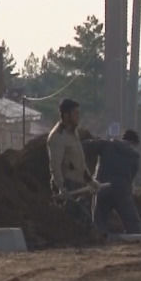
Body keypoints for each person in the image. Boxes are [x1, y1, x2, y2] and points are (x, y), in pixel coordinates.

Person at [84, 129, 141, 234]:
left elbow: (85, 146)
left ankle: (99, 239)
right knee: (133, 225)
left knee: (99, 223)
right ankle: (137, 242)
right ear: (135, 143)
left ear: (123, 138)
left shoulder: (107, 144)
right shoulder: (135, 156)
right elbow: (131, 178)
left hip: (102, 188)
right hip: (122, 191)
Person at [47, 98, 92, 229]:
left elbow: (78, 161)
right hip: (68, 185)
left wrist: (90, 180)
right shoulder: (57, 137)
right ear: (66, 115)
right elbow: (55, 166)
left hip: (79, 184)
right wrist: (61, 187)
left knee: (83, 223)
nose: (78, 116)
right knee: (71, 224)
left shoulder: (73, 132)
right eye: (75, 113)